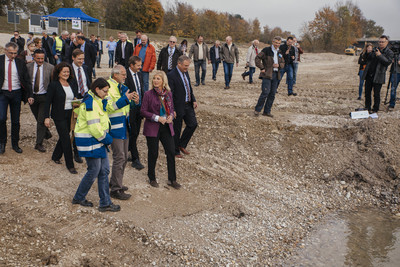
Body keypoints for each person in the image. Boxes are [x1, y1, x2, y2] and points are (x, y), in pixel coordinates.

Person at [72, 78, 120, 212]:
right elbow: (94, 127)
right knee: (94, 170)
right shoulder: (91, 103)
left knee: (103, 171)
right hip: (91, 142)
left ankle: (105, 203)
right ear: (97, 89)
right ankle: (79, 197)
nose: (106, 93)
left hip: (97, 141)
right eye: (105, 91)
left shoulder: (97, 100)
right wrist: (108, 139)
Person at [141, 71, 180, 189]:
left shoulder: (168, 94)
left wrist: (171, 116)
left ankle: (172, 179)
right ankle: (151, 178)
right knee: (153, 153)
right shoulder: (148, 94)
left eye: (158, 79)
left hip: (166, 127)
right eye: (154, 79)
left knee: (171, 151)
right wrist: (158, 118)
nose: (155, 81)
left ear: (163, 81)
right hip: (153, 127)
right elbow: (143, 111)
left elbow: (172, 109)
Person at [106, 65, 138, 200]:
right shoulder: (107, 86)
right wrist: (126, 99)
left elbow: (125, 105)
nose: (125, 77)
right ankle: (115, 189)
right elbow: (110, 107)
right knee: (119, 157)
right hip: (114, 127)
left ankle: (115, 181)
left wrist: (133, 101)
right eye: (123, 74)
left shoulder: (121, 87)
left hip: (124, 125)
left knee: (124, 157)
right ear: (115, 75)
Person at [44, 62, 79, 174]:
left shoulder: (72, 83)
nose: (66, 73)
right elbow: (47, 102)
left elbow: (74, 97)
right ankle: (70, 165)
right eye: (64, 71)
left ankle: (55, 156)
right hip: (59, 114)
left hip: (71, 113)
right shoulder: (53, 85)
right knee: (65, 138)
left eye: (68, 71)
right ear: (58, 72)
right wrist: (46, 117)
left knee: (64, 136)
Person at [0, 42, 33, 154]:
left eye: (15, 53)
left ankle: (15, 143)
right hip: (3, 93)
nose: (13, 55)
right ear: (5, 50)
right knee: (1, 118)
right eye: (10, 53)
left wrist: (29, 94)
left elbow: (26, 79)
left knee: (15, 120)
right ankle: (2, 143)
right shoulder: (0, 60)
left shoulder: (20, 62)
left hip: (16, 93)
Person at [167, 55, 198, 158]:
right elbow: (170, 94)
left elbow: (188, 87)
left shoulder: (186, 72)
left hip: (188, 104)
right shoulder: (171, 75)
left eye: (188, 66)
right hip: (178, 105)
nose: (187, 68)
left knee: (193, 124)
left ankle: (181, 144)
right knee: (177, 128)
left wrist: (193, 99)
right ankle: (175, 151)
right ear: (179, 64)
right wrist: (173, 109)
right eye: (185, 66)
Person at [27, 49, 54, 152]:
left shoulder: (50, 67)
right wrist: (28, 96)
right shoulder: (28, 67)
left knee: (40, 120)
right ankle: (46, 132)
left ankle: (39, 143)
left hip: (44, 97)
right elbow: (26, 82)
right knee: (37, 117)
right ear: (34, 57)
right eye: (38, 58)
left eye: (42, 58)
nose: (40, 60)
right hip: (32, 97)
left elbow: (52, 84)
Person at [254, 36, 285, 117]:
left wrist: (279, 65)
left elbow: (283, 63)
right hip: (267, 74)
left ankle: (267, 111)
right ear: (272, 42)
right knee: (265, 93)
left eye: (279, 43)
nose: (277, 44)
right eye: (276, 43)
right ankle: (257, 110)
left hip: (276, 75)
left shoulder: (280, 52)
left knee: (272, 94)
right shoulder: (266, 50)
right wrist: (262, 68)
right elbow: (257, 58)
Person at [362, 35, 394, 113]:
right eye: (379, 42)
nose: (381, 43)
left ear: (387, 42)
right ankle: (367, 107)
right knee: (367, 93)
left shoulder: (389, 52)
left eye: (382, 42)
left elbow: (387, 62)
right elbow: (365, 58)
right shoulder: (374, 49)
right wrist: (367, 52)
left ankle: (375, 109)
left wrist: (379, 55)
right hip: (369, 75)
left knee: (376, 94)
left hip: (378, 75)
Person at [125, 56, 145, 170]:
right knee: (132, 132)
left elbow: (141, 89)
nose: (140, 67)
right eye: (138, 65)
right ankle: (135, 158)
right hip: (130, 108)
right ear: (132, 65)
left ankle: (128, 149)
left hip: (139, 108)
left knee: (136, 132)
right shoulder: (125, 75)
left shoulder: (139, 74)